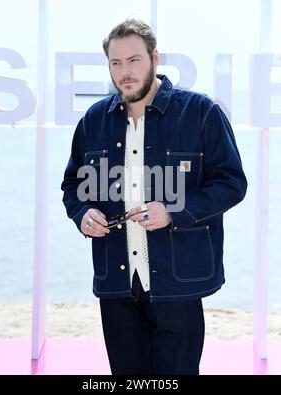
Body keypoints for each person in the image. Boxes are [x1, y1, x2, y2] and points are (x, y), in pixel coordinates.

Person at [61, 18, 247, 375]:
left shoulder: (200, 112)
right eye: (116, 63)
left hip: (178, 282)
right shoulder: (93, 120)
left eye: (133, 60)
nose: (124, 72)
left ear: (155, 58)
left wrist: (173, 211)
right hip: (116, 283)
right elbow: (73, 186)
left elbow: (232, 183)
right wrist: (82, 213)